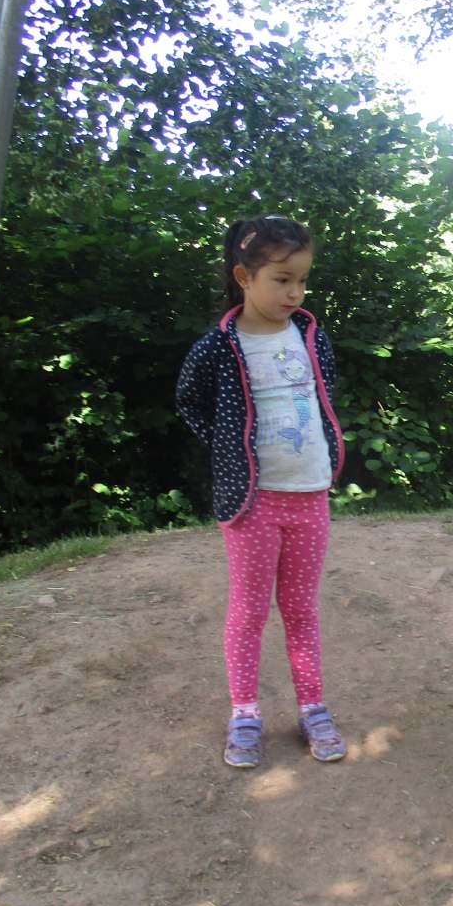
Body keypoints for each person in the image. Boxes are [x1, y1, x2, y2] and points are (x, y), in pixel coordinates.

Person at [176, 215, 347, 769]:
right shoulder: (219, 346)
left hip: (311, 495)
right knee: (249, 611)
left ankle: (312, 708)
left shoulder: (311, 336)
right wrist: (227, 446)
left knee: (301, 610)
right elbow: (189, 401)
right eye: (281, 279)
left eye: (301, 280)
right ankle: (245, 713)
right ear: (244, 277)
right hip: (252, 502)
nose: (294, 293)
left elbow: (323, 397)